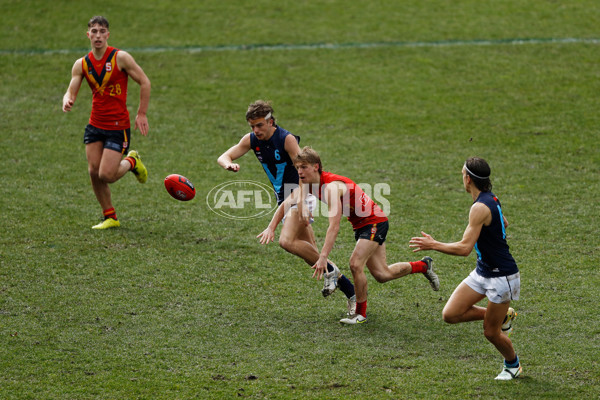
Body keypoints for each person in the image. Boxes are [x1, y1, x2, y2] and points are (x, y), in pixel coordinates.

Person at [218, 101, 356, 314]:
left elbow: (303, 169)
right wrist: (229, 164)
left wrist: (300, 202)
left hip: (300, 194)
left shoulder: (286, 139)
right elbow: (224, 156)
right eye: (252, 126)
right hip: (284, 199)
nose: (256, 130)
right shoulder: (252, 140)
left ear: (270, 121)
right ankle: (351, 292)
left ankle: (333, 273)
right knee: (314, 257)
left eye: (260, 125)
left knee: (286, 241)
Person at [289, 146, 439, 325]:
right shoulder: (307, 181)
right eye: (297, 167)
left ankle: (360, 314)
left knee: (355, 264)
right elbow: (300, 188)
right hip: (361, 225)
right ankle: (423, 265)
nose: (299, 171)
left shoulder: (330, 188)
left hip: (374, 221)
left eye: (304, 167)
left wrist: (323, 257)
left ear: (316, 166)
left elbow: (334, 226)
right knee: (382, 274)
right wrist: (301, 203)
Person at [409, 157, 521, 380]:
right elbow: (504, 222)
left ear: (468, 179)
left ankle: (512, 365)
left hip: (502, 277)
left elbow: (464, 249)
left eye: (462, 174)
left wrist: (433, 244)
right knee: (450, 314)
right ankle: (503, 316)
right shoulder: (491, 199)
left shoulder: (479, 207)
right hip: (483, 271)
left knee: (491, 332)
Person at [62, 16, 151, 229]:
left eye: (102, 31)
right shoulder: (81, 64)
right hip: (95, 125)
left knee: (107, 175)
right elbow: (71, 87)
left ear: (108, 35)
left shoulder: (120, 58)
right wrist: (67, 98)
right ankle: (110, 216)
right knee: (93, 171)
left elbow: (144, 82)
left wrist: (142, 113)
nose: (98, 35)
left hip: (117, 127)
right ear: (88, 35)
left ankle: (131, 162)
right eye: (94, 31)